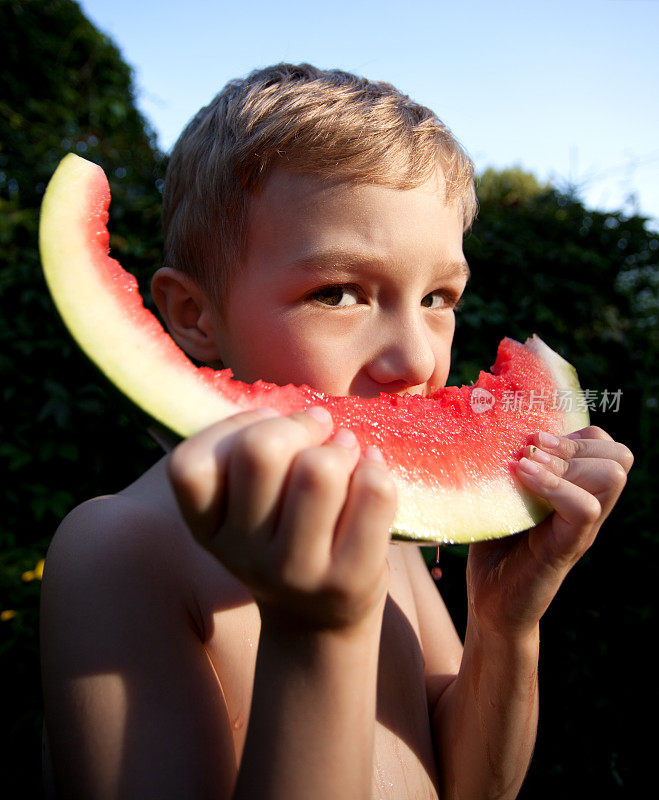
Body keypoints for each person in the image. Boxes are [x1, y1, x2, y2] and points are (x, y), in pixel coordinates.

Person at [40, 63, 633, 800]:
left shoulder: (388, 523)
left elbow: (472, 789)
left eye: (438, 297)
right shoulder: (120, 550)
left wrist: (503, 627)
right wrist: (316, 633)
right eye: (338, 293)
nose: (417, 358)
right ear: (194, 315)